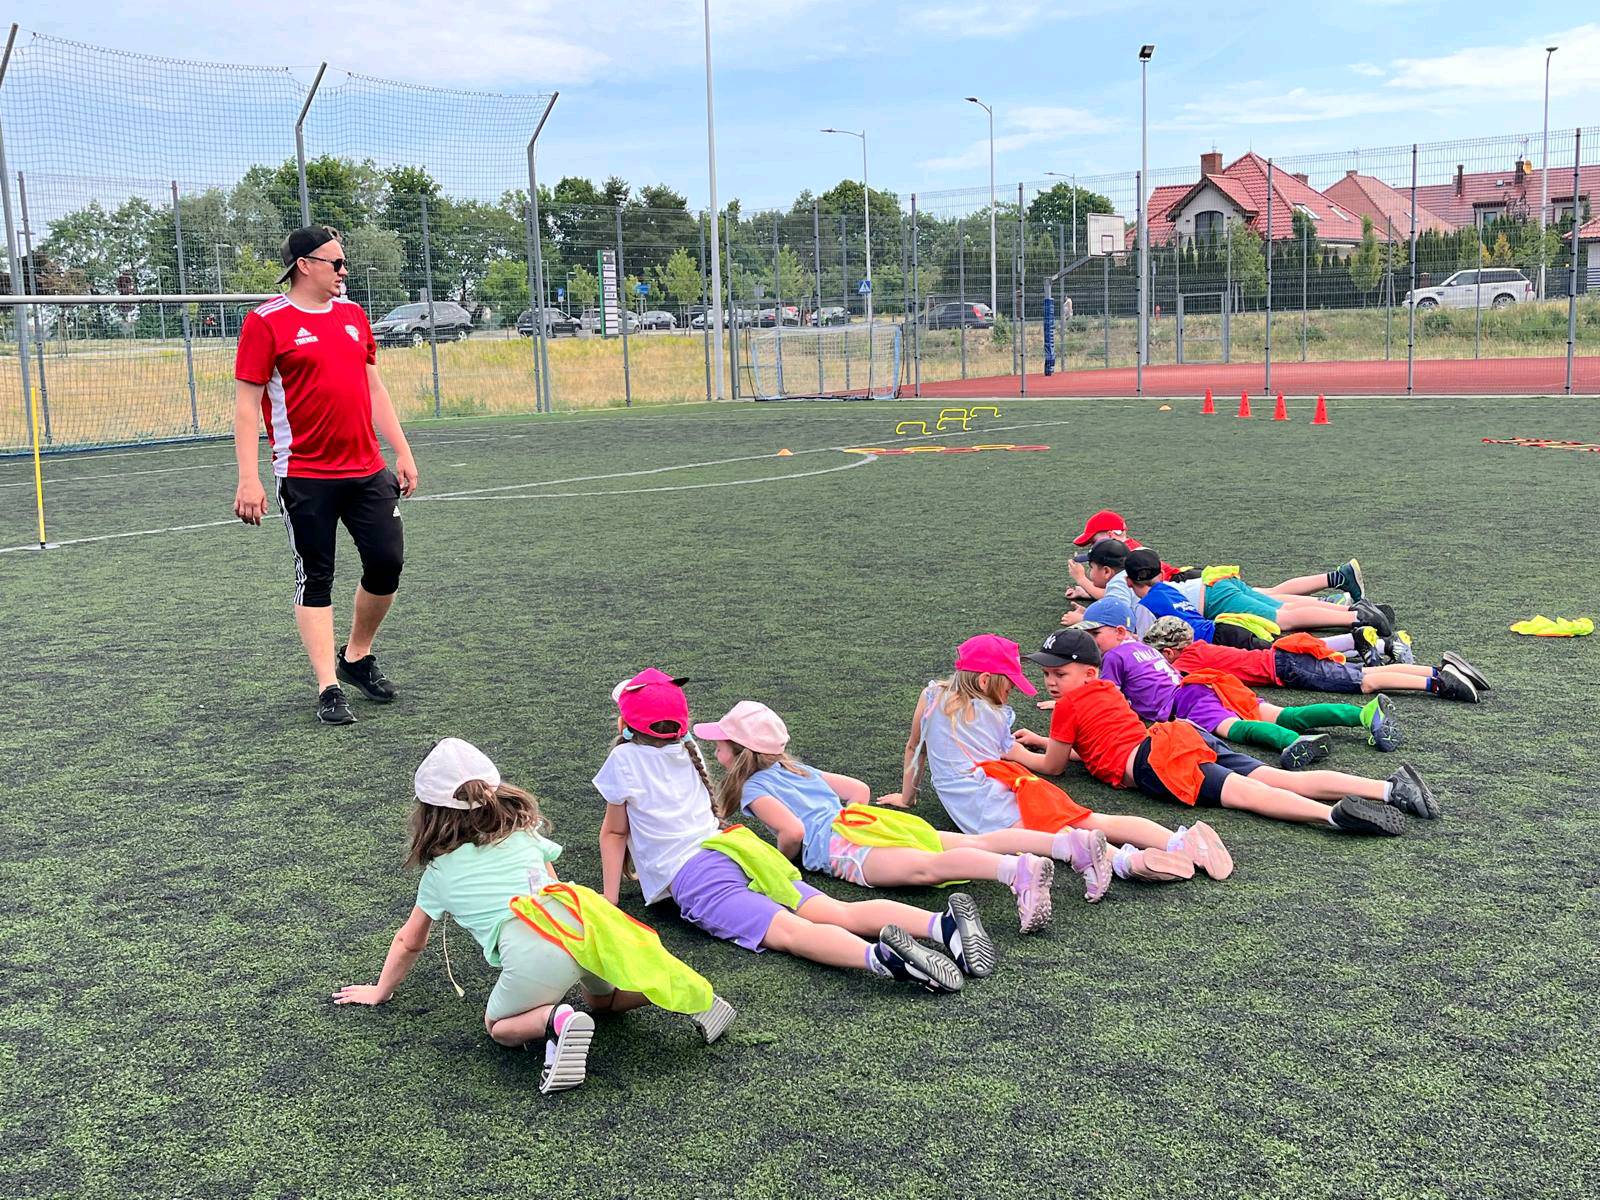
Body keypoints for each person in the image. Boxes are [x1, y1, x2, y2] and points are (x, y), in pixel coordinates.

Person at [333, 738, 735, 1095]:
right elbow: (552, 886)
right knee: (606, 1000)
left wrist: (381, 990)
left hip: (534, 950)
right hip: (583, 921)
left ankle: (557, 1020)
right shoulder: (524, 833)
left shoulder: (438, 873)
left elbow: (410, 941)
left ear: (428, 815)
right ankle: (686, 993)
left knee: (498, 1028)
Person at [594, 670, 971, 992]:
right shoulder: (687, 747)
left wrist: (610, 900)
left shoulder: (624, 759)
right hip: (740, 849)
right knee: (837, 910)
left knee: (790, 932)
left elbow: (614, 834)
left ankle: (881, 958)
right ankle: (940, 925)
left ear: (624, 724)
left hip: (695, 877)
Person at [232, 225, 419, 726]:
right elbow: (247, 406)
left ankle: (356, 656)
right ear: (304, 265)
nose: (344, 271)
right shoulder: (265, 322)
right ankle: (327, 687)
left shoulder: (354, 315)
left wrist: (402, 451)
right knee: (316, 576)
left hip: (367, 470)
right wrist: (248, 477)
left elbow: (374, 389)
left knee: (387, 563)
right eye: (336, 263)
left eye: (344, 262)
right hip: (304, 474)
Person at [1009, 629, 1442, 839]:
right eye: (1046, 674)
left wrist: (1015, 752)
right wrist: (1044, 741)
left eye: (1059, 674)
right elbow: (1095, 747)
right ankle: (1389, 788)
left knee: (1248, 795)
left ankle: (1333, 817)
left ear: (1089, 672)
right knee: (1276, 778)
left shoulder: (1067, 706)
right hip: (1179, 737)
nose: (1051, 682)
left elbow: (1054, 768)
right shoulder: (1104, 691)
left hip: (1160, 763)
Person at [697, 699, 1048, 944]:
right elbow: (858, 789)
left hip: (839, 845)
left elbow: (793, 831)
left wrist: (785, 860)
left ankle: (1014, 871)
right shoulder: (795, 768)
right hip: (863, 820)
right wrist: (853, 821)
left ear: (739, 751)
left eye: (720, 745)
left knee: (928, 867)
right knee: (955, 845)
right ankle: (1056, 847)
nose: (716, 751)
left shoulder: (753, 788)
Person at [889, 634, 1221, 887]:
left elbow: (914, 747)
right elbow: (1009, 754)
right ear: (986, 680)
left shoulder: (931, 695)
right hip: (1011, 783)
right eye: (1009, 685)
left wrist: (907, 797)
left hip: (981, 795)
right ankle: (1178, 840)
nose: (1010, 692)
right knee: (1088, 818)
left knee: (1056, 835)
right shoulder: (995, 714)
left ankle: (1126, 861)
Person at [1076, 598, 1402, 764]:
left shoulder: (1115, 657)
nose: (1091, 640)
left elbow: (1108, 698)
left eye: (1094, 633)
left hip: (1187, 700)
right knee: (1283, 714)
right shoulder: (1144, 650)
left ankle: (1292, 742)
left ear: (1119, 631)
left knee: (1233, 729)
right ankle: (1363, 714)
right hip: (1213, 684)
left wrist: (1072, 702)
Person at [1141, 616, 1486, 704]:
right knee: (1364, 670)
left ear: (1169, 652)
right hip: (1283, 657)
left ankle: (1437, 683)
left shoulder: (1184, 662)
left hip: (1285, 667)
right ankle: (1439, 669)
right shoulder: (1199, 646)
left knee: (1366, 681)